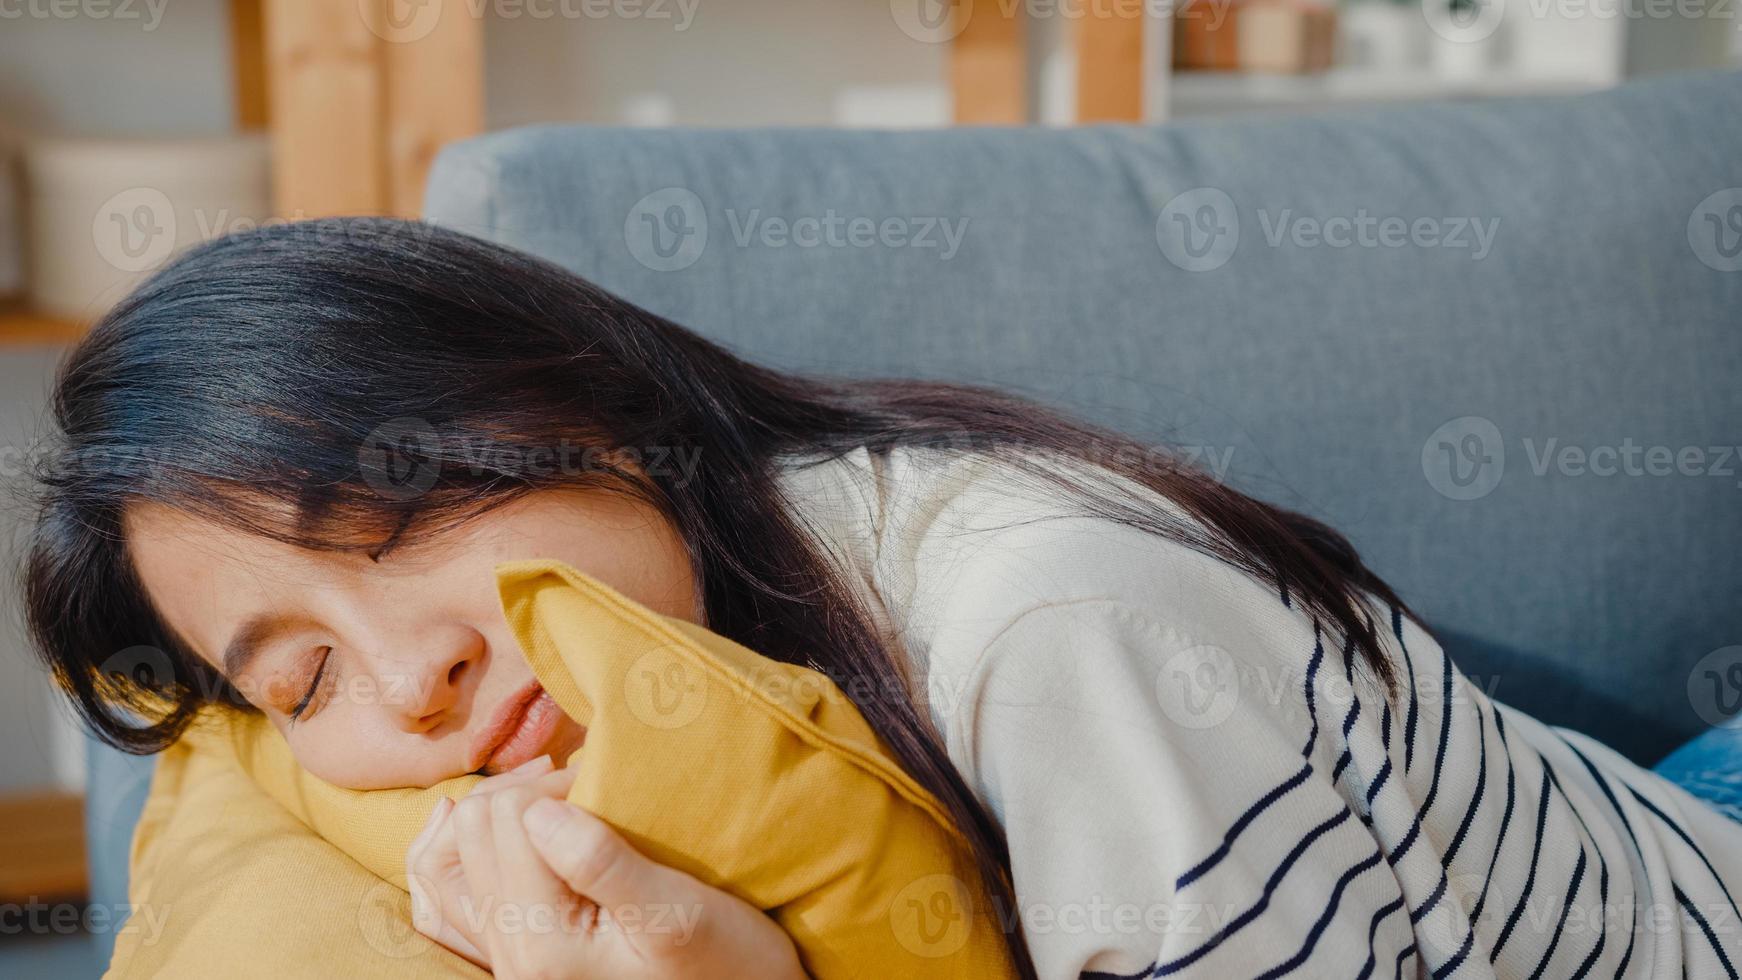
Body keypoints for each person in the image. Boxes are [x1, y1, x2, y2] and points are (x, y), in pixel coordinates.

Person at [26, 218, 1742, 978]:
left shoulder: (1062, 631)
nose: (414, 681)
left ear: (591, 402)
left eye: (399, 510)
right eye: (302, 674)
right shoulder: (648, 651)